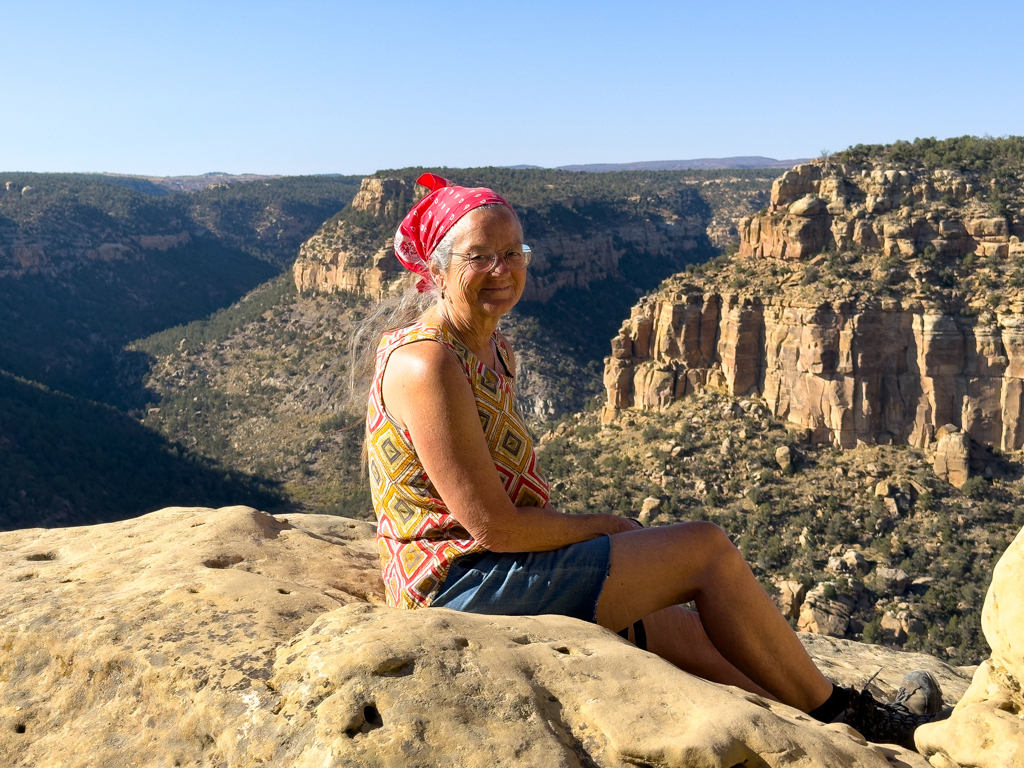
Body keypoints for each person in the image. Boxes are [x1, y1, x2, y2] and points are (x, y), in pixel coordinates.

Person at [364, 172, 946, 750]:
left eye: (513, 252)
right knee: (705, 550)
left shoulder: (492, 348)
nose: (502, 269)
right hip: (459, 582)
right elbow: (495, 525)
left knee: (681, 628)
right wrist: (606, 527)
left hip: (500, 565)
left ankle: (831, 729)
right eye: (479, 256)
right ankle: (848, 713)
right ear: (436, 271)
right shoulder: (428, 364)